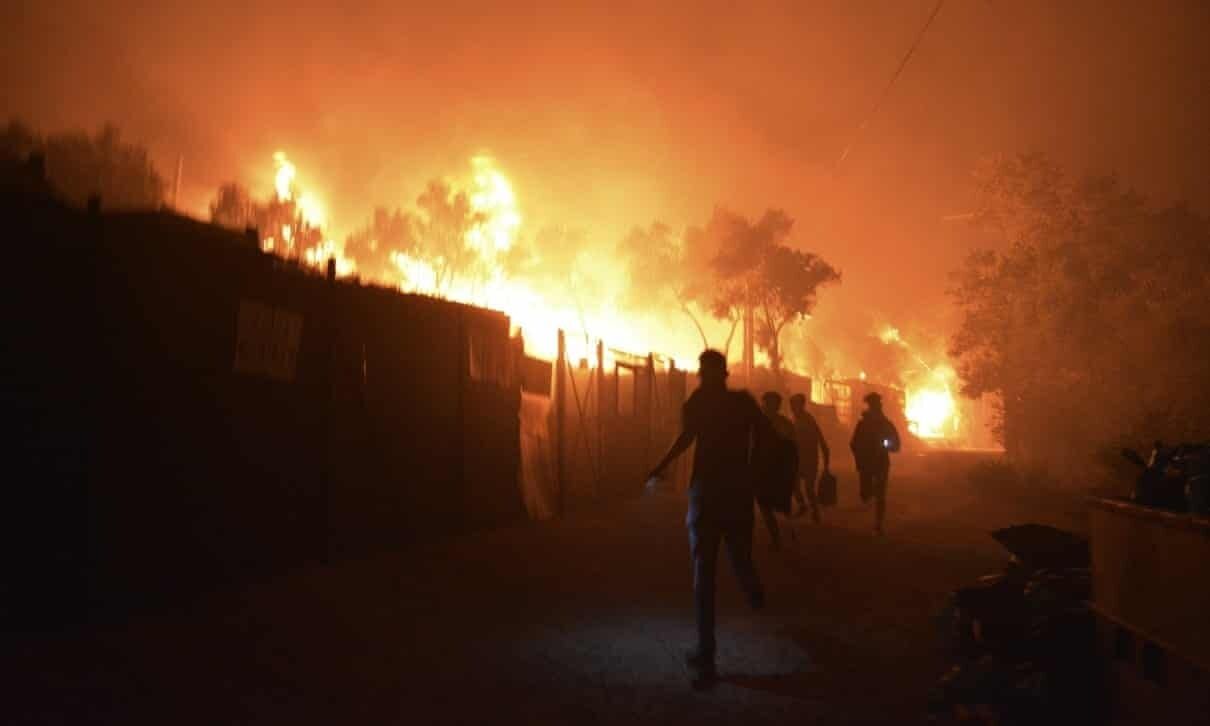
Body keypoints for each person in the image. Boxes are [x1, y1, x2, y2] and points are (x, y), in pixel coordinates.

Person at [648, 350, 771, 687]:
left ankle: (706, 654)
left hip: (707, 495)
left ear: (704, 372)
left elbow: (686, 440)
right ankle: (751, 587)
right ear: (726, 373)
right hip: (736, 494)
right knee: (738, 554)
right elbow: (765, 436)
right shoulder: (742, 403)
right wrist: (757, 474)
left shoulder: (698, 403)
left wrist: (660, 467)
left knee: (704, 575)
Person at [849, 392, 900, 535]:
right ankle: (871, 493)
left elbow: (896, 445)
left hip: (881, 463)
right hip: (866, 463)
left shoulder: (886, 424)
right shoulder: (863, 424)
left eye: (877, 404)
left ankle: (878, 525)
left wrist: (886, 445)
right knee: (865, 494)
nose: (876, 407)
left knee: (881, 495)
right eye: (873, 405)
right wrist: (859, 459)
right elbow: (853, 443)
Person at [756, 391, 795, 551]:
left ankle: (778, 537)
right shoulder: (759, 422)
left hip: (773, 469)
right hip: (760, 468)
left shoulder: (782, 424)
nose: (764, 406)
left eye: (768, 403)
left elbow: (790, 448)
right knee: (764, 504)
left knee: (766, 504)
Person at [789, 393, 830, 523]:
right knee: (794, 485)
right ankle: (803, 506)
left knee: (809, 488)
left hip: (810, 460)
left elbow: (821, 440)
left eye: (795, 405)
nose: (792, 408)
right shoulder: (794, 419)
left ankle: (815, 511)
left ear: (801, 405)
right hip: (798, 459)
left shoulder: (808, 420)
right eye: (792, 405)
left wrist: (826, 463)